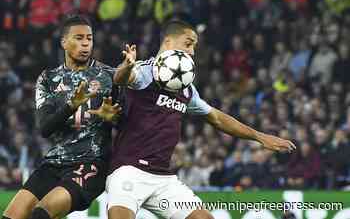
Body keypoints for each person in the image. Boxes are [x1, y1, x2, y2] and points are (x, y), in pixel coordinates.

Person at [107, 20, 296, 219]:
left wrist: (259, 137)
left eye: (194, 46)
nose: (193, 52)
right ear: (169, 43)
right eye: (188, 44)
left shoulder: (186, 88)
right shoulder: (145, 71)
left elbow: (216, 118)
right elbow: (121, 79)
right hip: (128, 170)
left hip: (162, 178)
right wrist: (127, 66)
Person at [2, 14, 135, 219]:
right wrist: (71, 104)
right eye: (79, 38)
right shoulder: (49, 79)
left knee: (41, 214)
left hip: (91, 163)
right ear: (64, 42)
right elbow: (45, 128)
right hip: (54, 163)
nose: (85, 44)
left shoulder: (110, 76)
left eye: (89, 38)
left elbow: (129, 124)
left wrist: (114, 119)